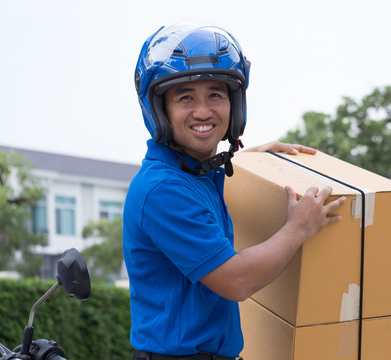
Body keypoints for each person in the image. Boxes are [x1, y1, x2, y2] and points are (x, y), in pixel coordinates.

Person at [123, 21, 346, 360]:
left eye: (216, 94)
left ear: (235, 105)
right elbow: (236, 280)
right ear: (160, 110)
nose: (204, 111)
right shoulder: (162, 190)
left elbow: (203, 177)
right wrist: (298, 227)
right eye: (185, 97)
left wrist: (249, 161)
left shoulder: (195, 174)